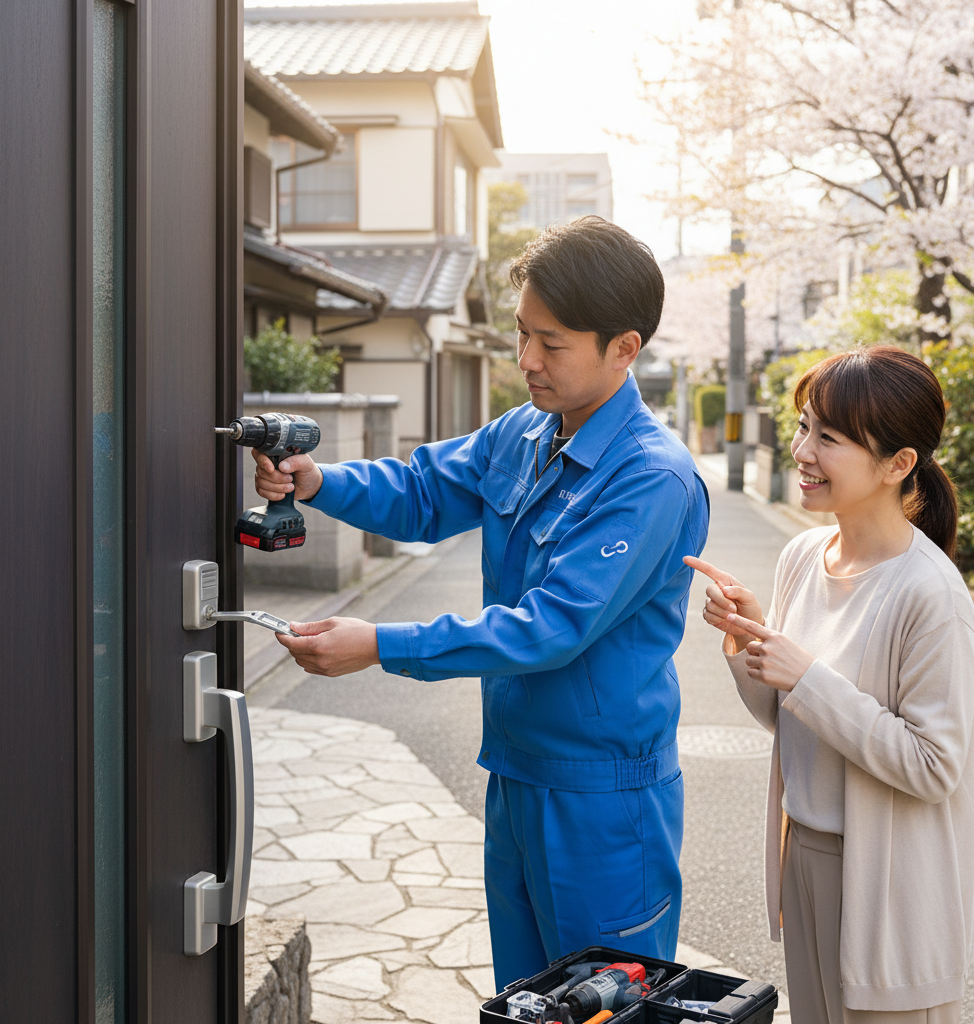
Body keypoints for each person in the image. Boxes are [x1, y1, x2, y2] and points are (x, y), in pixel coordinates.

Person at [252, 216, 710, 990]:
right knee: (525, 1001)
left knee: (604, 1006)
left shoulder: (651, 478)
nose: (526, 360)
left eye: (552, 343)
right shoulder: (526, 432)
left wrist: (381, 644)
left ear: (624, 349)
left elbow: (551, 628)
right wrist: (319, 480)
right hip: (518, 771)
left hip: (602, 801)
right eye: (522, 335)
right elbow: (426, 490)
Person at [685, 346, 974, 1024]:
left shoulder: (931, 593)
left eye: (830, 437)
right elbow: (789, 718)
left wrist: (808, 677)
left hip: (892, 882)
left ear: (898, 464)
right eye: (803, 427)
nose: (803, 451)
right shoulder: (801, 557)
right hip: (807, 857)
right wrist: (750, 640)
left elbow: (935, 767)